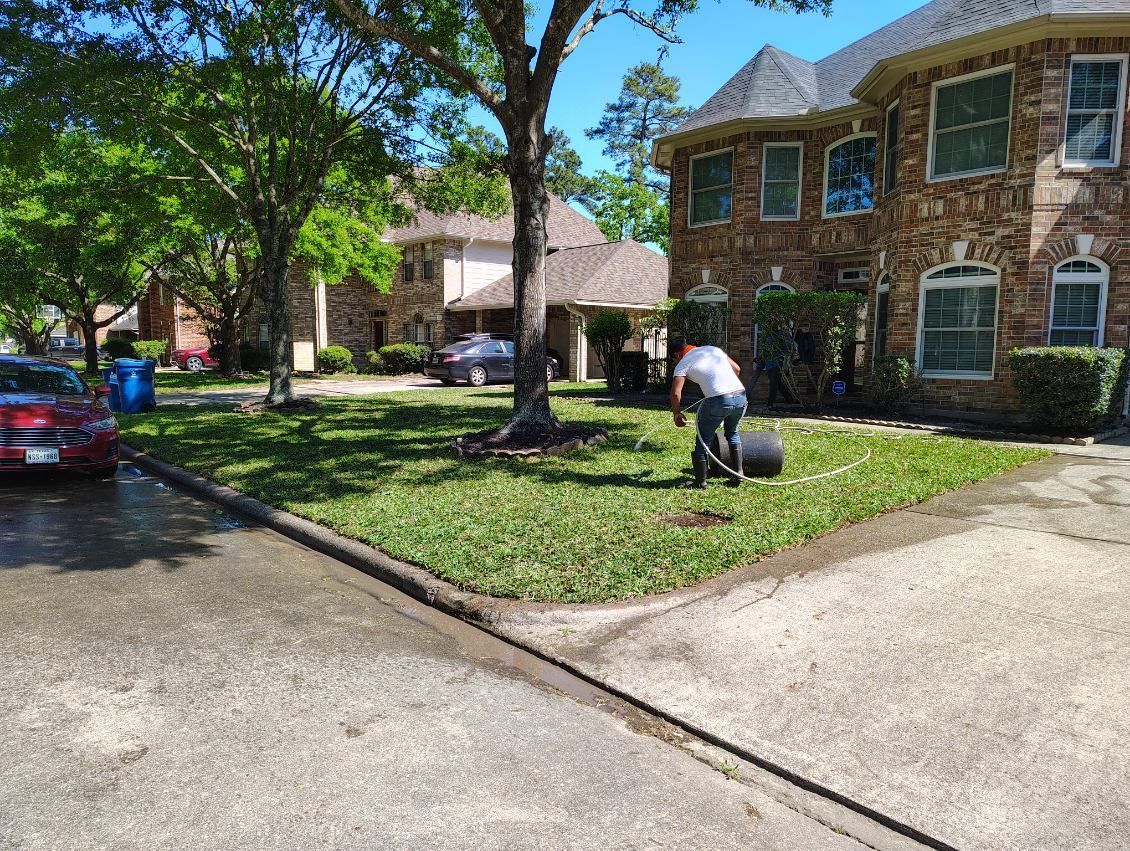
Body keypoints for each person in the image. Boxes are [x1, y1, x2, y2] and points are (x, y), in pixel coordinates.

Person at [669, 338, 748, 489]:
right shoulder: (713, 349)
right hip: (741, 397)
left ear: (677, 354)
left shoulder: (683, 362)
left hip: (718, 400)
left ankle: (700, 481)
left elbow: (675, 393)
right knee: (732, 433)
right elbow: (737, 369)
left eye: (674, 358)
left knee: (703, 438)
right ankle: (738, 475)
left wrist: (676, 413)